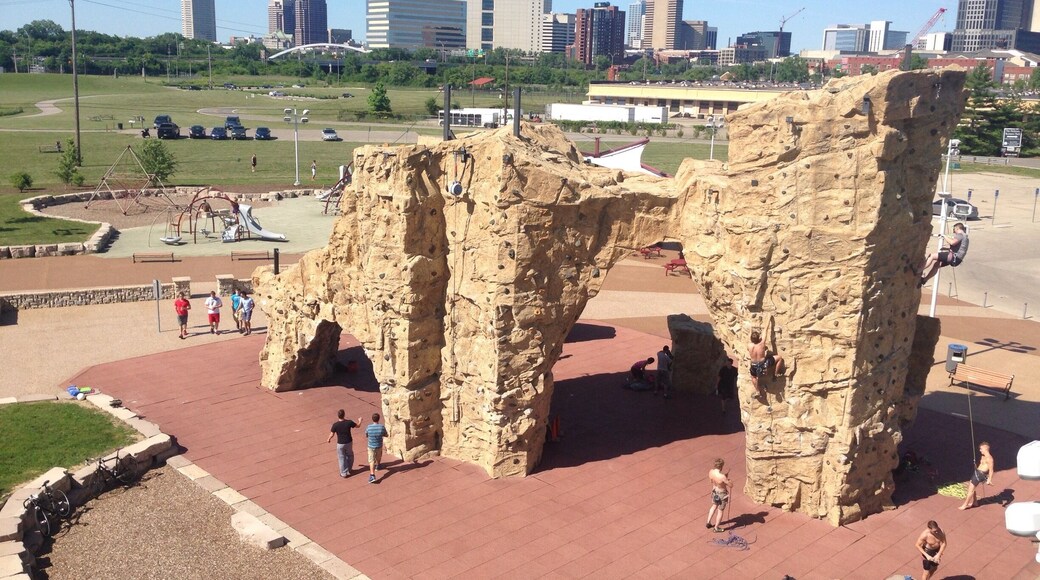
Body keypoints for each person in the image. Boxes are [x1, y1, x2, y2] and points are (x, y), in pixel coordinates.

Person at [959, 441, 994, 510]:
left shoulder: (989, 458)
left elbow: (991, 470)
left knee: (970, 490)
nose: (980, 450)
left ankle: (965, 505)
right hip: (977, 472)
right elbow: (982, 465)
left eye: (981, 449)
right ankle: (975, 502)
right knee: (971, 486)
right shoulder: (983, 456)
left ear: (985, 449)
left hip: (979, 474)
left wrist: (989, 479)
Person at [326, 409, 361, 478]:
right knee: (350, 455)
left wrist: (329, 438)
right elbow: (358, 426)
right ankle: (349, 469)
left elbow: (332, 433)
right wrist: (360, 420)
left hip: (340, 443)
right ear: (344, 415)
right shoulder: (349, 422)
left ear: (338, 416)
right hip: (349, 442)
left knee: (341, 457)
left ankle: (343, 473)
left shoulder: (335, 425)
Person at [748, 330, 784, 397]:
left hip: (754, 365)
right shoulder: (762, 344)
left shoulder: (749, 346)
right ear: (759, 338)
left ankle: (758, 391)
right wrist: (768, 320)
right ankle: (775, 374)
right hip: (763, 364)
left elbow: (750, 338)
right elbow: (765, 330)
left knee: (753, 377)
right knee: (779, 358)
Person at [706, 458, 731, 533]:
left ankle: (708, 522)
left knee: (713, 506)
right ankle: (716, 528)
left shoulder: (711, 472)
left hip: (714, 491)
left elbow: (712, 481)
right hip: (722, 494)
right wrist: (727, 479)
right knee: (720, 511)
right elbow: (730, 485)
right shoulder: (722, 476)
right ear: (721, 466)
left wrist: (723, 479)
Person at [365, 413, 389, 483]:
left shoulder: (369, 427)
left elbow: (366, 435)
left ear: (372, 419)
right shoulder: (381, 427)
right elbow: (386, 434)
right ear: (379, 419)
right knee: (378, 456)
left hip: (371, 446)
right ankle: (378, 465)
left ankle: (372, 475)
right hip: (379, 445)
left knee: (371, 460)